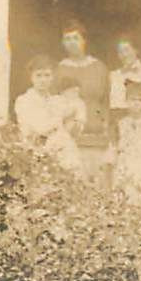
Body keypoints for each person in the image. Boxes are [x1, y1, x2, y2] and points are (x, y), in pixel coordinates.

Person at [55, 22, 111, 176]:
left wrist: (106, 129)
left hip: (96, 135)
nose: (71, 43)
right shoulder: (60, 69)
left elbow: (106, 101)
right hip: (69, 138)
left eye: (75, 38)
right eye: (67, 39)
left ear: (84, 41)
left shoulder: (99, 68)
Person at [14, 55, 84, 171]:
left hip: (62, 154)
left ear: (52, 77)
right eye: (38, 75)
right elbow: (41, 129)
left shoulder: (57, 101)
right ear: (31, 77)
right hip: (37, 154)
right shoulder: (24, 101)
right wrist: (62, 116)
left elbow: (71, 129)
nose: (43, 80)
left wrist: (75, 119)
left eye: (47, 75)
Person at [108, 33, 141, 141]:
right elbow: (112, 104)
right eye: (120, 52)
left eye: (127, 50)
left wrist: (139, 126)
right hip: (118, 127)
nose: (124, 54)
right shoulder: (114, 76)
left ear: (136, 50)